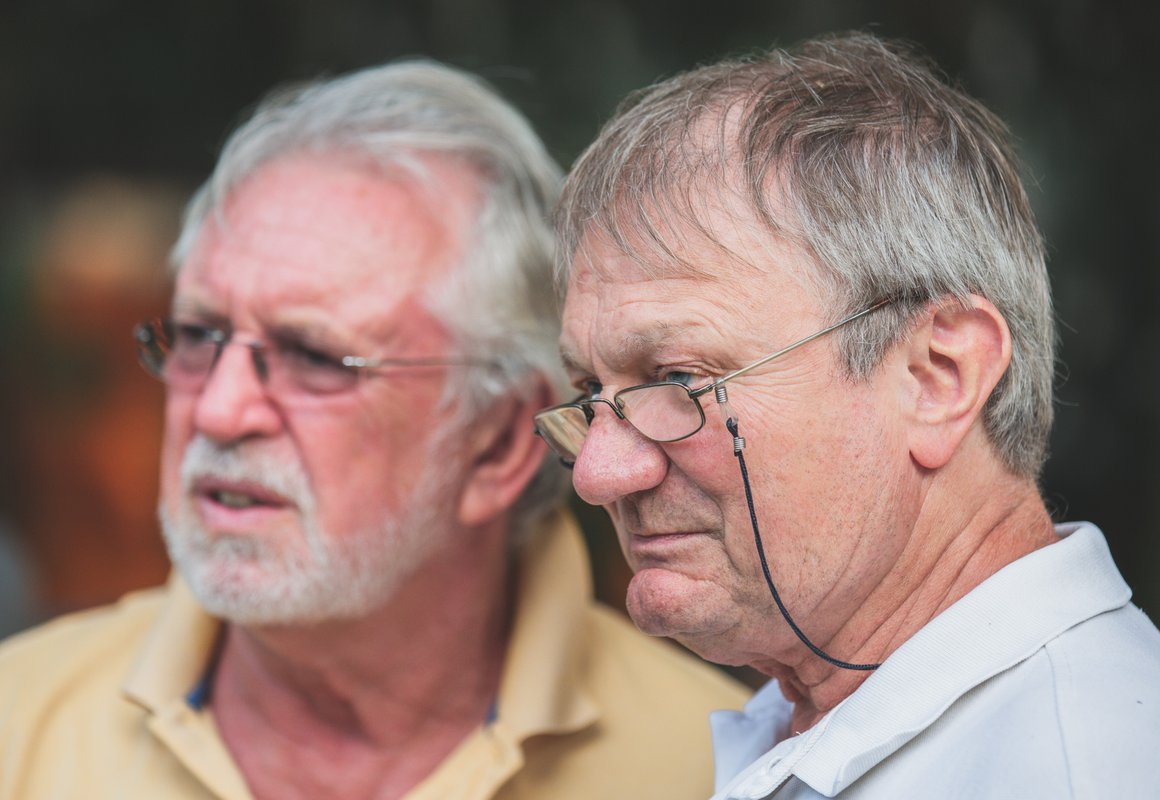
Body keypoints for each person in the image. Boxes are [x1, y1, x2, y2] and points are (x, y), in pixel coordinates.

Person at [0, 61, 748, 799]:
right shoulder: (19, 723)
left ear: (495, 444)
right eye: (200, 335)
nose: (219, 411)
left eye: (313, 355)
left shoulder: (723, 768)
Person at [535, 32, 1160, 798]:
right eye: (590, 393)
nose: (598, 472)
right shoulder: (824, 715)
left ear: (938, 377)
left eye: (679, 378)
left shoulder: (1076, 773)